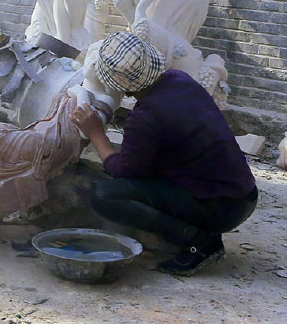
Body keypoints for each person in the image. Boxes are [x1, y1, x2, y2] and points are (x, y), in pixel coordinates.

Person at [71, 29, 257, 276]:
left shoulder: (145, 118)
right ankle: (189, 231)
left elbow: (124, 172)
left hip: (222, 207)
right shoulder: (179, 79)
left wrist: (96, 133)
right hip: (243, 194)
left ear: (116, 83)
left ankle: (199, 242)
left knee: (104, 194)